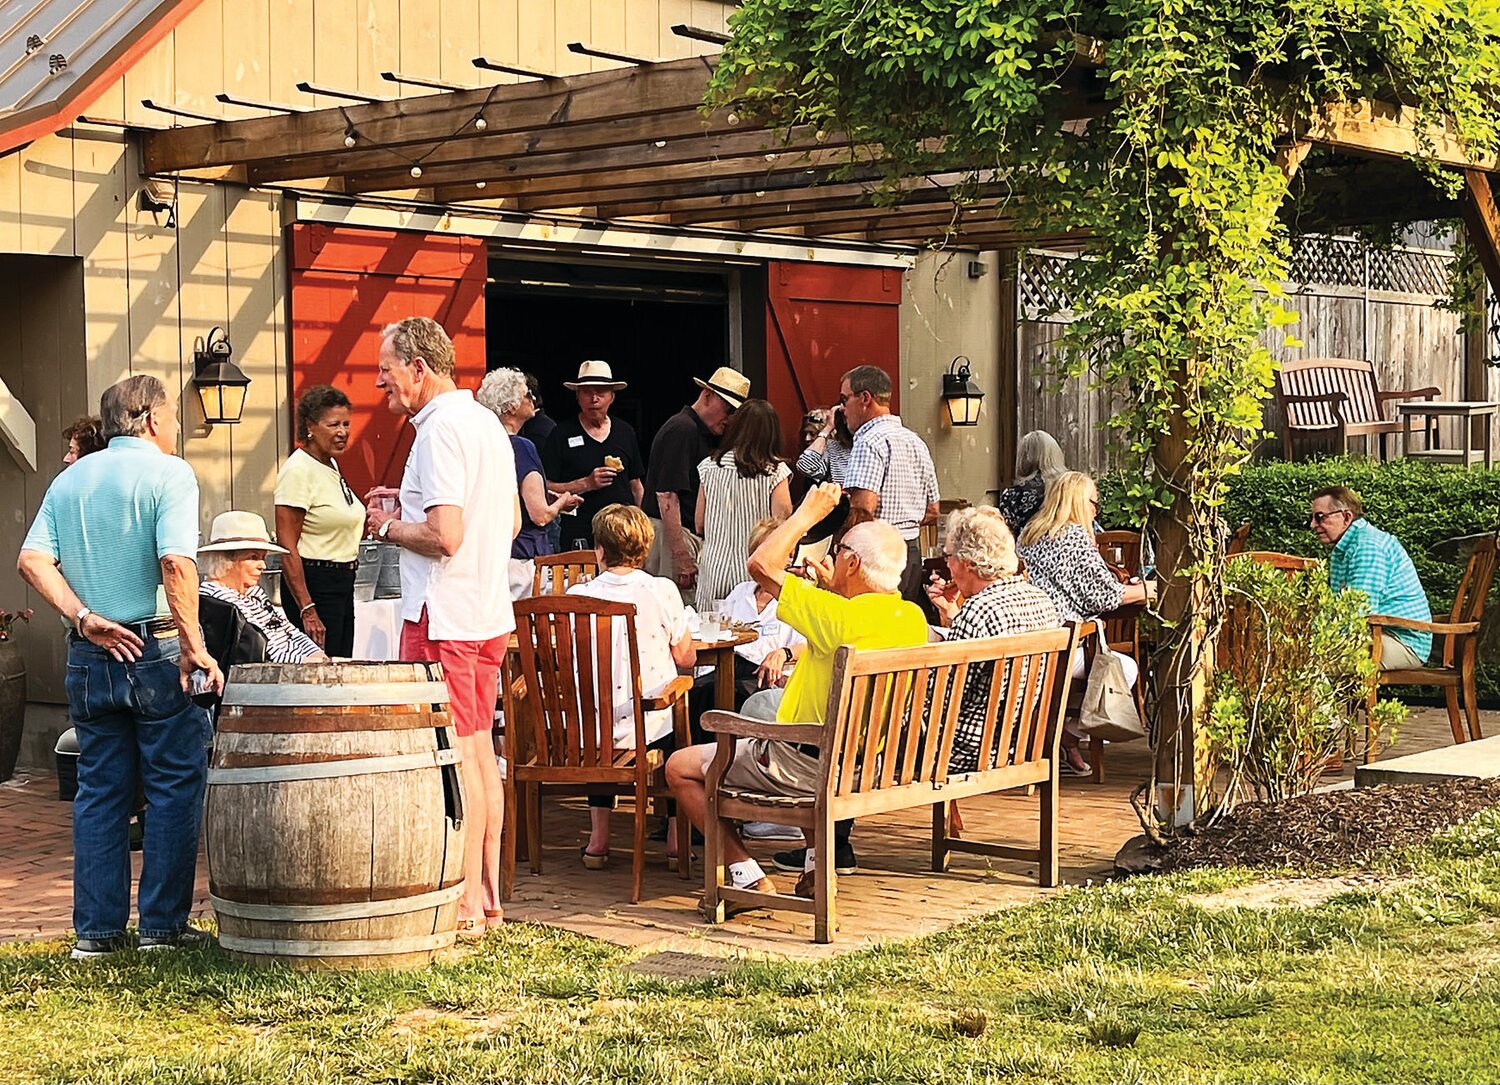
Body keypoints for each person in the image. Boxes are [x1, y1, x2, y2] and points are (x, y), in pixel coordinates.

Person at [18, 374, 223, 959]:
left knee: (101, 792)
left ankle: (97, 936)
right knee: (175, 786)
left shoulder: (70, 479)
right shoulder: (170, 472)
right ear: (153, 419)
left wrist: (83, 617)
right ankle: (161, 929)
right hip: (156, 649)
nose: (177, 426)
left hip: (91, 653)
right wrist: (194, 645)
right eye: (173, 417)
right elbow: (177, 564)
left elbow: (32, 560)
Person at [665, 483, 928, 906]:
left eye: (839, 551)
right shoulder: (911, 618)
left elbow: (761, 564)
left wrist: (806, 513)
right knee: (795, 726)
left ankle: (747, 876)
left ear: (852, 561)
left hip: (803, 766)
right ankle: (814, 869)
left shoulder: (834, 616)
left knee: (681, 766)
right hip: (869, 764)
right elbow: (851, 619)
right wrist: (832, 589)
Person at [365, 316, 520, 939]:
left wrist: (387, 526)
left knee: (453, 756)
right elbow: (505, 523)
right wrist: (407, 508)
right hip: (486, 611)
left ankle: (463, 904)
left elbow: (444, 536)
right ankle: (486, 899)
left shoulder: (435, 432)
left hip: (443, 615)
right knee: (481, 751)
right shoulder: (487, 422)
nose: (380, 382)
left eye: (386, 369)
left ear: (418, 368)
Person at [567, 504, 697, 867]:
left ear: (600, 551)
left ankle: (598, 839)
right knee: (678, 708)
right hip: (648, 725)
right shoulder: (661, 590)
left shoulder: (579, 595)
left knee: (601, 708)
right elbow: (685, 658)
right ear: (645, 548)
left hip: (590, 727)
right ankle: (674, 837)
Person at [1017, 471, 1149, 774]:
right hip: (1065, 645)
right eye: (1094, 504)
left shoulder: (1028, 534)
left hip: (1030, 643)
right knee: (1126, 669)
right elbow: (1104, 595)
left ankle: (1059, 734)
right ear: (1079, 502)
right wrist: (1146, 590)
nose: (1095, 511)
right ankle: (1068, 733)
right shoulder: (1074, 536)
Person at [926, 507, 1061, 773]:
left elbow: (943, 695)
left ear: (969, 563)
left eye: (949, 557)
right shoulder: (1041, 600)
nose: (947, 566)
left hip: (964, 750)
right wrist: (952, 614)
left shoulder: (979, 610)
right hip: (1018, 745)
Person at [839, 365, 941, 610]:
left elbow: (862, 511)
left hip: (878, 560)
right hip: (911, 554)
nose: (842, 409)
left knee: (871, 638)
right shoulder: (915, 441)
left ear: (865, 398)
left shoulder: (868, 441)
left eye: (845, 399)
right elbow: (934, 509)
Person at [477, 367, 584, 599]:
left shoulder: (479, 447)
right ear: (512, 406)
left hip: (487, 557)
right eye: (528, 395)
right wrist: (562, 502)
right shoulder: (522, 447)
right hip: (523, 561)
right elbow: (541, 515)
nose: (533, 400)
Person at [274, 385, 363, 657]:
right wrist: (306, 607)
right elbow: (287, 545)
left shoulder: (329, 464)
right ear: (311, 426)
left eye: (346, 424)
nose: (343, 432)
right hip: (315, 585)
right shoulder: (299, 470)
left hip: (343, 582)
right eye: (333, 424)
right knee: (322, 672)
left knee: (341, 665)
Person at [644, 367, 749, 594]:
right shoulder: (683, 429)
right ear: (707, 395)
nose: (730, 419)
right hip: (670, 535)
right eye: (728, 409)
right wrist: (681, 555)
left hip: (683, 534)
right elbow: (666, 496)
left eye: (735, 414)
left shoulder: (699, 432)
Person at [1309, 485, 1432, 668]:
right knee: (1301, 656)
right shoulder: (1345, 548)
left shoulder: (1368, 547)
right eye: (1311, 518)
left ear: (1346, 517)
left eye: (1320, 517)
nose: (1312, 525)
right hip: (1377, 634)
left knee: (1312, 665)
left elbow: (1359, 611)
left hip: (1402, 642)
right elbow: (1339, 610)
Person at [694, 398, 793, 610]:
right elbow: (782, 525)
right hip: (753, 571)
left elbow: (699, 523)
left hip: (714, 569)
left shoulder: (708, 467)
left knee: (713, 636)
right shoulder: (775, 472)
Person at [199, 511, 327, 665]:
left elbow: (287, 629)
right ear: (226, 560)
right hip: (262, 678)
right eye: (253, 557)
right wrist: (306, 662)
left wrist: (317, 655)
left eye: (263, 557)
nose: (263, 565)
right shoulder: (216, 600)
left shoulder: (254, 593)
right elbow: (260, 649)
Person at [541, 361, 644, 550]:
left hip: (622, 533)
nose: (594, 399)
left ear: (612, 397)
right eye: (587, 392)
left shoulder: (625, 432)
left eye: (600, 393)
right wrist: (586, 483)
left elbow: (636, 485)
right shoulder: (561, 434)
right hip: (579, 534)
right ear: (578, 397)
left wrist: (642, 526)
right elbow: (545, 487)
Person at [715, 517, 807, 709]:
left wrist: (784, 653)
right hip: (731, 673)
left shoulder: (797, 595)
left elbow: (810, 643)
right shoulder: (741, 592)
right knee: (700, 693)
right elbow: (718, 633)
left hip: (768, 682)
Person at [998, 430, 1067, 537]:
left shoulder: (1012, 495)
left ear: (1023, 458)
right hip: (1067, 549)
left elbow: (1007, 535)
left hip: (1024, 550)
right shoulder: (1070, 490)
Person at [795, 406, 853, 486]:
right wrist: (827, 429)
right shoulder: (832, 450)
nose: (807, 439)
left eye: (813, 434)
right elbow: (805, 466)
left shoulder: (867, 443)